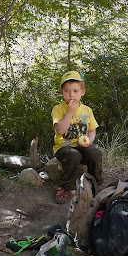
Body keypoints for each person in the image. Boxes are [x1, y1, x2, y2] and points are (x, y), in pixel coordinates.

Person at [51, 70, 103, 204]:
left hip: (82, 146)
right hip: (63, 148)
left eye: (75, 91)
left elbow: (92, 130)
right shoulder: (58, 109)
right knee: (74, 155)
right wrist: (69, 112)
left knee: (95, 153)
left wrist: (89, 141)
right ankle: (65, 187)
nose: (71, 95)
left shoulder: (87, 110)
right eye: (67, 91)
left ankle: (95, 183)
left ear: (82, 92)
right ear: (62, 92)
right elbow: (60, 131)